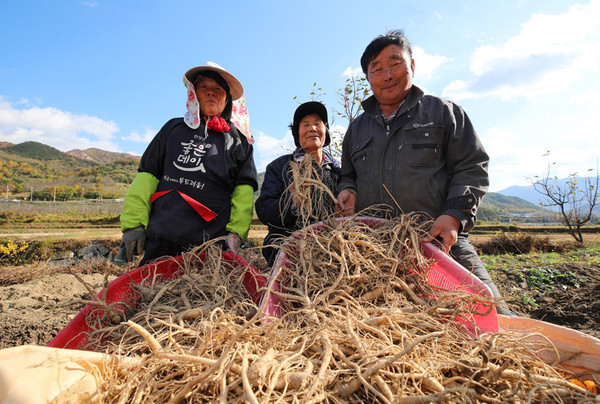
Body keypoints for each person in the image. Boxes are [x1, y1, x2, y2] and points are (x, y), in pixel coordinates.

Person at [335, 30, 511, 314]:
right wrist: (348, 191)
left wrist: (454, 215)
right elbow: (348, 174)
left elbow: (471, 167)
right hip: (374, 251)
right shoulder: (356, 129)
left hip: (437, 243)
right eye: (377, 70)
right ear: (368, 79)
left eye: (395, 64)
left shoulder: (444, 113)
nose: (387, 75)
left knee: (493, 314)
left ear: (412, 66)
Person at [117, 62, 258, 265]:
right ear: (193, 94)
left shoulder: (239, 140)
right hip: (161, 237)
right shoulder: (172, 128)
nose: (211, 93)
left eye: (218, 89)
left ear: (227, 99)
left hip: (209, 245)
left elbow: (243, 189)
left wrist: (236, 232)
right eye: (204, 88)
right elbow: (147, 175)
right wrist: (133, 224)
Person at [256, 101, 341, 267]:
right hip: (288, 253)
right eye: (306, 124)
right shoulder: (279, 167)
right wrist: (291, 201)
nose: (312, 128)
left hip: (331, 252)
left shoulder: (338, 170)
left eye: (318, 123)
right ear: (297, 134)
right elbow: (263, 209)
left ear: (326, 131)